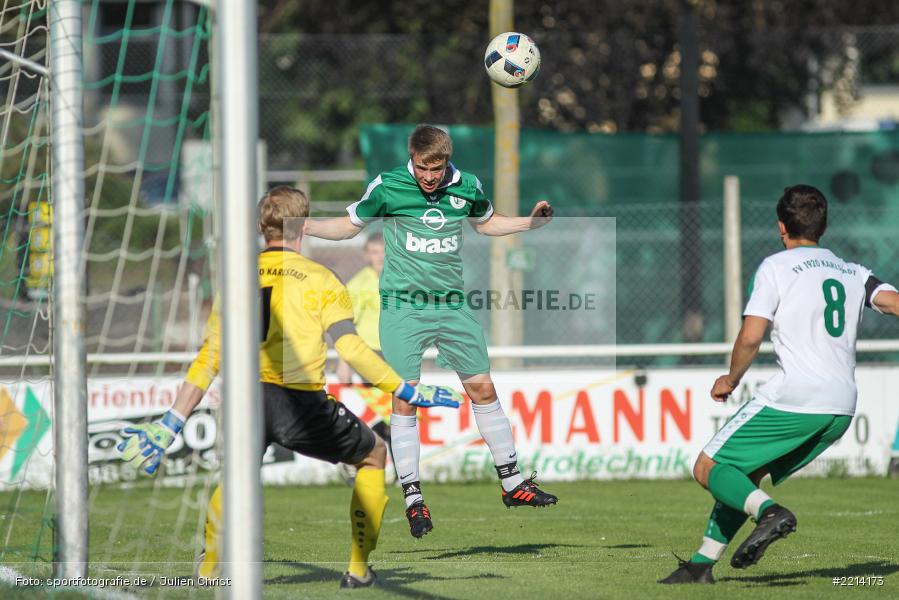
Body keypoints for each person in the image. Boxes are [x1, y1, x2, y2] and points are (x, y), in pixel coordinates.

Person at [118, 186, 462, 589]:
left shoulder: (237, 279)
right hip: (298, 401)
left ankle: (210, 568)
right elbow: (349, 346)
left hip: (245, 399)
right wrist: (405, 389)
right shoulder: (319, 277)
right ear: (302, 226)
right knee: (374, 455)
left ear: (262, 227)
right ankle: (357, 568)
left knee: (236, 478)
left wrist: (172, 421)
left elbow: (211, 356)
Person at [304, 124, 558, 539]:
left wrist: (529, 224)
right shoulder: (389, 186)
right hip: (403, 308)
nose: (429, 177)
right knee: (406, 399)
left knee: (483, 390)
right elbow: (350, 226)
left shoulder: (467, 186)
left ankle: (513, 485)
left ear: (446, 161)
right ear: (413, 159)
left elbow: (486, 223)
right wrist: (305, 227)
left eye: (436, 168)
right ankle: (414, 500)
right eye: (423, 168)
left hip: (451, 305)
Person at [660, 184, 899, 584]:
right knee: (743, 476)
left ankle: (772, 513)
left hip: (797, 395)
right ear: (823, 225)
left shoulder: (776, 266)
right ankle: (701, 566)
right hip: (840, 407)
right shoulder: (855, 272)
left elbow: (752, 336)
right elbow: (893, 303)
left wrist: (730, 378)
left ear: (781, 227)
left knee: (708, 466)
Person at [335, 232, 393, 445]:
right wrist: (344, 363)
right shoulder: (358, 285)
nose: (380, 257)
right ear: (366, 256)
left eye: (384, 252)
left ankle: (400, 473)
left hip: (395, 354)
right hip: (369, 354)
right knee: (390, 411)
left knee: (395, 415)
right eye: (374, 252)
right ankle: (358, 451)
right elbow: (344, 326)